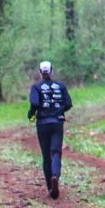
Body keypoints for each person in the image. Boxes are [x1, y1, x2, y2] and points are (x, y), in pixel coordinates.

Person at [28, 61, 71, 199]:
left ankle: (50, 186)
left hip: (42, 124)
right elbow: (68, 103)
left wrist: (31, 113)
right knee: (56, 152)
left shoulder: (36, 87)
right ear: (51, 71)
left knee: (46, 155)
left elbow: (34, 103)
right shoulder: (60, 86)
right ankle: (55, 176)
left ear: (40, 72)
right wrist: (59, 110)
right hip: (57, 122)